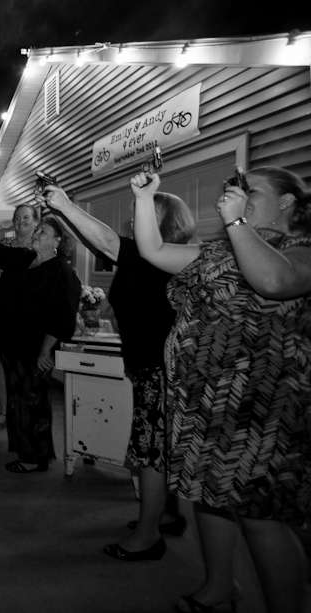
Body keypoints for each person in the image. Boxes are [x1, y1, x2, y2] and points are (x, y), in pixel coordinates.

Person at [133, 168, 311, 613]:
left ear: (288, 201)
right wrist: (143, 198)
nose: (239, 197)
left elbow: (274, 282)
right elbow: (151, 249)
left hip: (261, 408)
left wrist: (236, 223)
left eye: (252, 192)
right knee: (208, 500)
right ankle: (219, 586)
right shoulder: (216, 251)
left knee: (258, 517)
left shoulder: (300, 250)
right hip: (205, 406)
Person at [37, 180, 195, 561]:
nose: (132, 217)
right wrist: (62, 208)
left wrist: (65, 205)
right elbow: (103, 243)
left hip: (163, 369)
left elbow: (107, 242)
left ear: (167, 223)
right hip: (146, 365)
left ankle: (147, 536)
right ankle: (165, 517)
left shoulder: (166, 257)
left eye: (146, 210)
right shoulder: (139, 257)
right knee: (158, 450)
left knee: (150, 454)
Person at [0, 215, 80, 473]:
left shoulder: (62, 271)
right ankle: (30, 452)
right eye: (37, 230)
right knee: (18, 403)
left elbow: (63, 317)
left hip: (35, 351)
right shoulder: (26, 259)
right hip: (13, 345)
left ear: (57, 241)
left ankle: (34, 458)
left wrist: (46, 349)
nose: (36, 234)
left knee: (32, 404)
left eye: (43, 232)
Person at [0, 203, 39, 432]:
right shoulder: (5, 248)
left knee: (26, 372)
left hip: (30, 319)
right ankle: (5, 413)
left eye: (26, 217)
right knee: (0, 365)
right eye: (17, 217)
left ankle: (25, 419)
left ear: (36, 221)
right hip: (5, 315)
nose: (20, 221)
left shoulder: (40, 249)